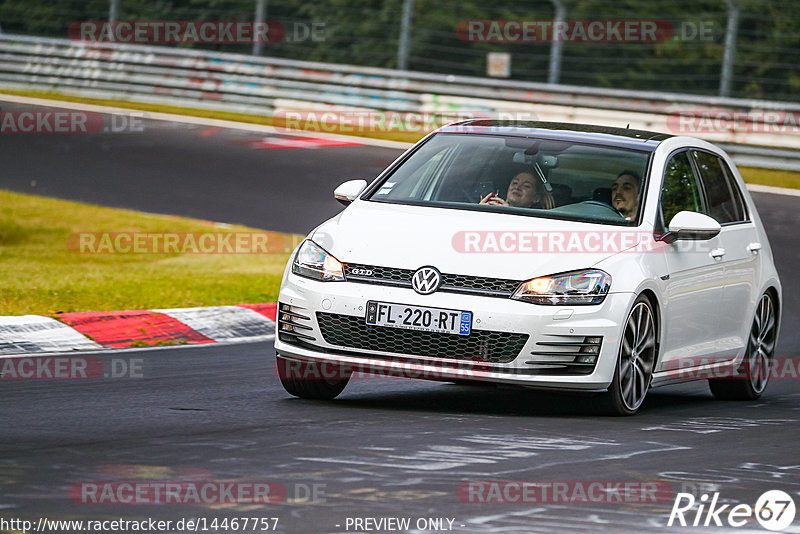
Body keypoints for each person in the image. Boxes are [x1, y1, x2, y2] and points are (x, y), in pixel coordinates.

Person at [479, 171, 554, 209]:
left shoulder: (538, 221)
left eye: (526, 186)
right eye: (515, 183)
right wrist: (479, 212)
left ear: (536, 198)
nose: (517, 187)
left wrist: (509, 214)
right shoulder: (493, 211)